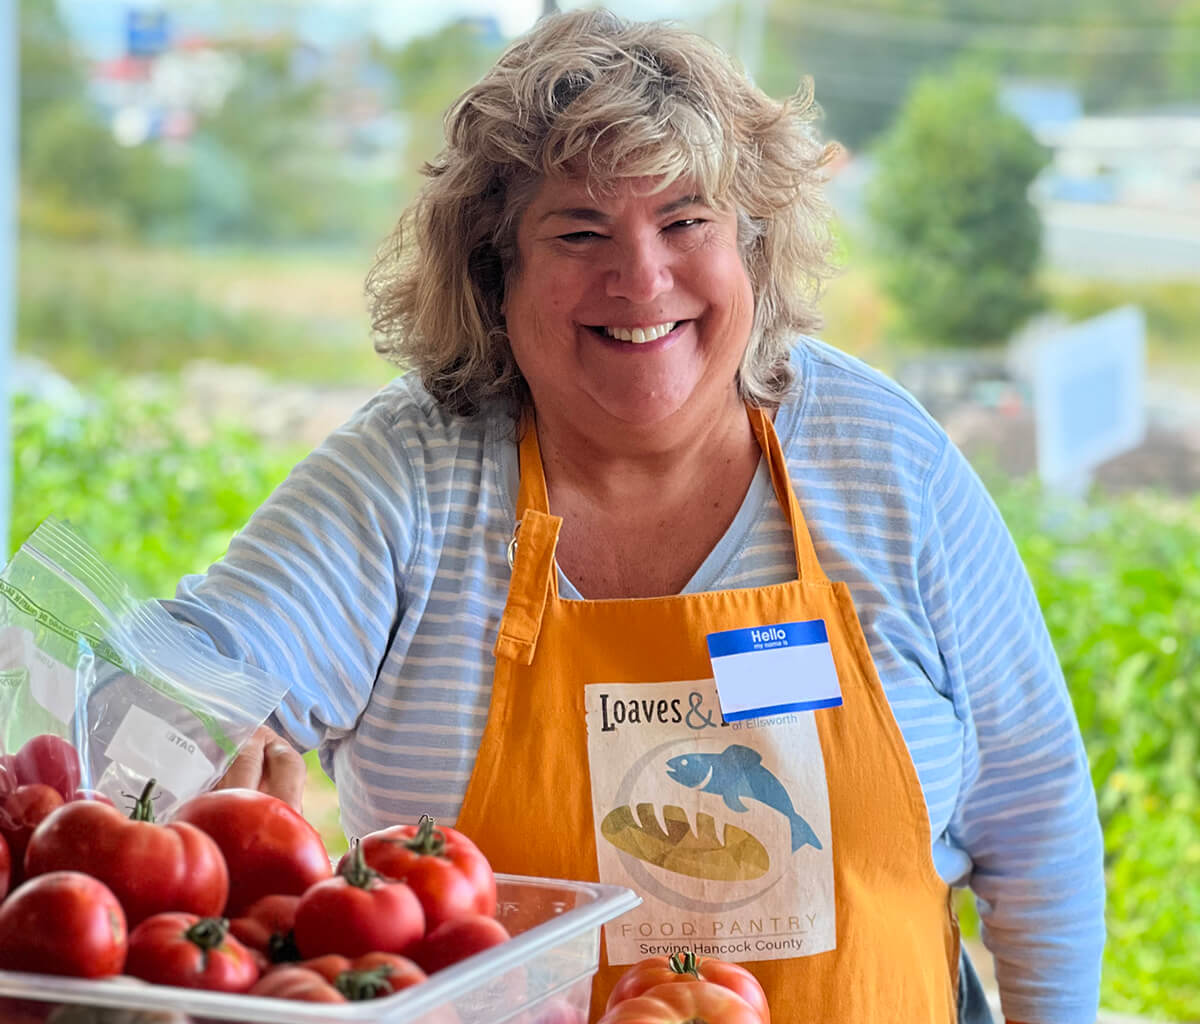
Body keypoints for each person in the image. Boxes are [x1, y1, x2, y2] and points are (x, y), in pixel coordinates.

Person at [166, 9, 1104, 1023]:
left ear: (750, 243)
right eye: (580, 231)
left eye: (686, 221)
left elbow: (1036, 816)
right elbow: (171, 684)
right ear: (496, 272)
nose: (642, 279)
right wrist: (201, 735)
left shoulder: (883, 458)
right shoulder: (411, 474)